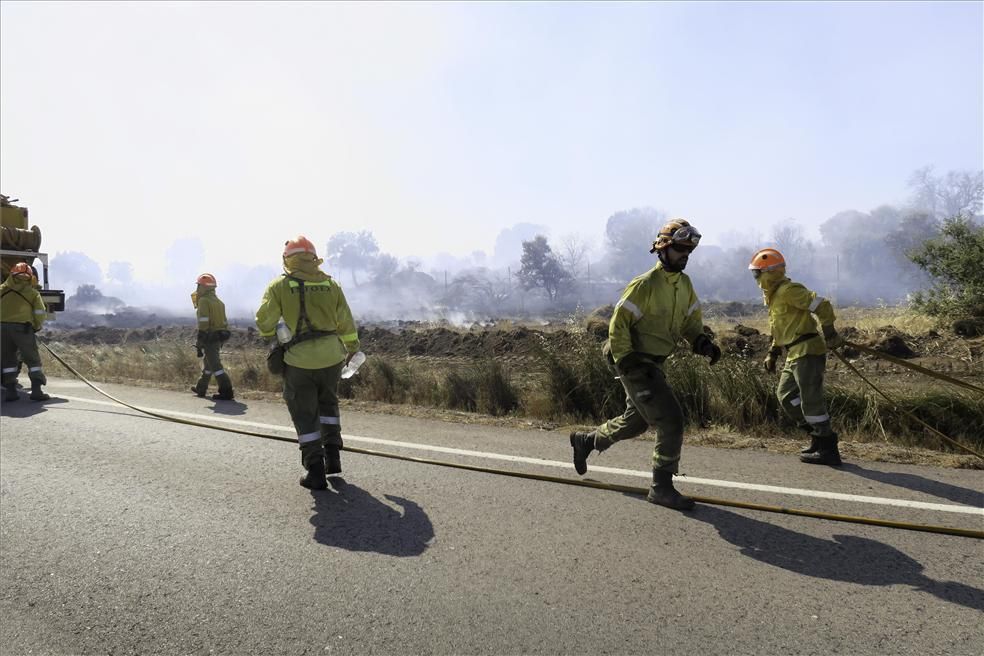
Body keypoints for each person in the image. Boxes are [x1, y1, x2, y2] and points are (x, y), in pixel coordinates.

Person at [569, 219, 721, 511]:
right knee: (671, 419)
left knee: (637, 421)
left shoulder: (684, 285)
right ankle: (661, 487)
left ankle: (586, 442)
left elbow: (690, 323)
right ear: (663, 247)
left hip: (652, 362)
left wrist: (702, 343)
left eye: (689, 249)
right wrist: (629, 363)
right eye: (679, 248)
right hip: (633, 359)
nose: (685, 254)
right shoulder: (645, 285)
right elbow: (618, 326)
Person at [255, 236, 361, 490]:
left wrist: (276, 335)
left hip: (299, 362)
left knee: (305, 415)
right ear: (313, 257)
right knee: (328, 404)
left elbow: (264, 322)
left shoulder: (279, 286)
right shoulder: (330, 284)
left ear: (287, 258)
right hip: (332, 358)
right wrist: (353, 347)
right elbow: (346, 320)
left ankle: (315, 471)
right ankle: (333, 455)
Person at [748, 248, 845, 466]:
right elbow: (780, 328)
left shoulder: (788, 290)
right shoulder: (774, 297)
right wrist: (773, 353)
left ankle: (828, 447)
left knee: (811, 401)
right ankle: (817, 437)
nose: (756, 279)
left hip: (808, 352)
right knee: (785, 397)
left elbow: (821, 305)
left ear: (770, 272)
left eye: (758, 273)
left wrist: (829, 333)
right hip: (793, 353)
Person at [1, 262, 50, 402]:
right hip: (23, 329)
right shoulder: (33, 293)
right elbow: (40, 313)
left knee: (8, 359)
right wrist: (36, 326)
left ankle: (11, 392)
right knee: (32, 359)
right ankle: (36, 391)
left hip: (2, 329)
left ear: (11, 275)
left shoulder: (1, 290)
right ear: (30, 277)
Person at [190, 273, 235, 401]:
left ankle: (226, 391)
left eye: (199, 286)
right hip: (219, 337)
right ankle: (201, 388)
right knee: (208, 364)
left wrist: (200, 339)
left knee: (216, 366)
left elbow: (203, 322)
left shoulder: (204, 301)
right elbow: (224, 323)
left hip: (209, 338)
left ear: (203, 287)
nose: (197, 289)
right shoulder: (219, 302)